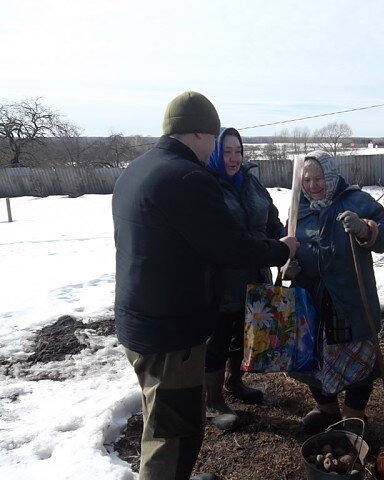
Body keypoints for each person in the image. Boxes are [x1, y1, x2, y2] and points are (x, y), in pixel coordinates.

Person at [112, 91, 299, 480]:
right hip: (170, 330)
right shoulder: (186, 177)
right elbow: (227, 245)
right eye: (215, 138)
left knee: (161, 414)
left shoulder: (139, 168)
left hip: (139, 317)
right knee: (176, 431)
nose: (217, 148)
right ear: (200, 133)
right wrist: (279, 250)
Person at [288, 150, 384, 432]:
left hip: (350, 298)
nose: (313, 185)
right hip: (311, 297)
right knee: (314, 357)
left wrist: (365, 229)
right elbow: (288, 243)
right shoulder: (297, 209)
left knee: (358, 359)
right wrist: (290, 264)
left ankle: (353, 415)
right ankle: (326, 410)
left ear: (332, 175)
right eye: (307, 179)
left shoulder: (356, 200)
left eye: (319, 178)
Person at [203, 127, 285, 430]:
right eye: (226, 151)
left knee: (247, 336)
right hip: (222, 279)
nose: (234, 157)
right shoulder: (206, 187)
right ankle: (212, 402)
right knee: (219, 339)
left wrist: (286, 241)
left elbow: (272, 221)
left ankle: (234, 383)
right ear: (214, 153)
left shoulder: (251, 182)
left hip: (255, 273)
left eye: (238, 151)